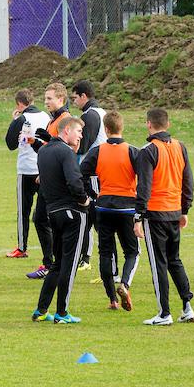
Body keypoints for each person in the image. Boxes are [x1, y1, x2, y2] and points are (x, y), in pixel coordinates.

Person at [134, 107, 194, 326]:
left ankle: (164, 313)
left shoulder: (148, 150)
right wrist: (185, 209)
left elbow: (144, 186)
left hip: (155, 214)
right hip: (174, 211)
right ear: (167, 124)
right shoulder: (180, 147)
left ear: (149, 124)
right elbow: (188, 181)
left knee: (158, 263)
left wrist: (138, 216)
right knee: (174, 260)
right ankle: (187, 306)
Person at [79, 110, 140, 311]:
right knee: (132, 251)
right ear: (121, 128)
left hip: (103, 207)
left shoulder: (97, 152)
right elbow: (145, 177)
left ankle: (112, 299)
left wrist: (92, 195)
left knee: (105, 252)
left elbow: (82, 173)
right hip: (127, 208)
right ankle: (125, 284)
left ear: (105, 129)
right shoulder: (132, 151)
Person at [32, 116, 89, 324]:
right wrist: (84, 200)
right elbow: (74, 181)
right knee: (70, 264)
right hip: (72, 213)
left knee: (57, 264)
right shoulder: (65, 152)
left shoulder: (44, 151)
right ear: (66, 132)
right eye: (78, 132)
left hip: (53, 212)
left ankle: (41, 310)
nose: (81, 136)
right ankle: (62, 313)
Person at [24, 83, 72, 280]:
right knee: (43, 219)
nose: (46, 102)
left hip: (56, 181)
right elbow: (48, 151)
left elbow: (67, 150)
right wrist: (36, 142)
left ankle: (52, 264)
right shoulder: (53, 121)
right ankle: (53, 263)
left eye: (50, 98)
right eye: (45, 98)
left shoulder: (65, 120)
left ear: (61, 99)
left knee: (45, 219)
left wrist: (49, 140)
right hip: (47, 178)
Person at [4, 89, 50, 260]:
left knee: (23, 211)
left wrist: (14, 121)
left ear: (19, 104)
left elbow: (10, 143)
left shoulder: (22, 118)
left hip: (25, 170)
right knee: (46, 211)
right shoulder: (46, 116)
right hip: (44, 168)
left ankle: (22, 247)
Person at [71, 80, 106, 270]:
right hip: (97, 172)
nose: (74, 102)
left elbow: (83, 147)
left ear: (84, 96)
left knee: (89, 215)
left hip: (93, 174)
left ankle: (88, 258)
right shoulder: (99, 113)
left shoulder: (90, 115)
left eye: (75, 98)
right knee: (88, 216)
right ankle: (87, 256)